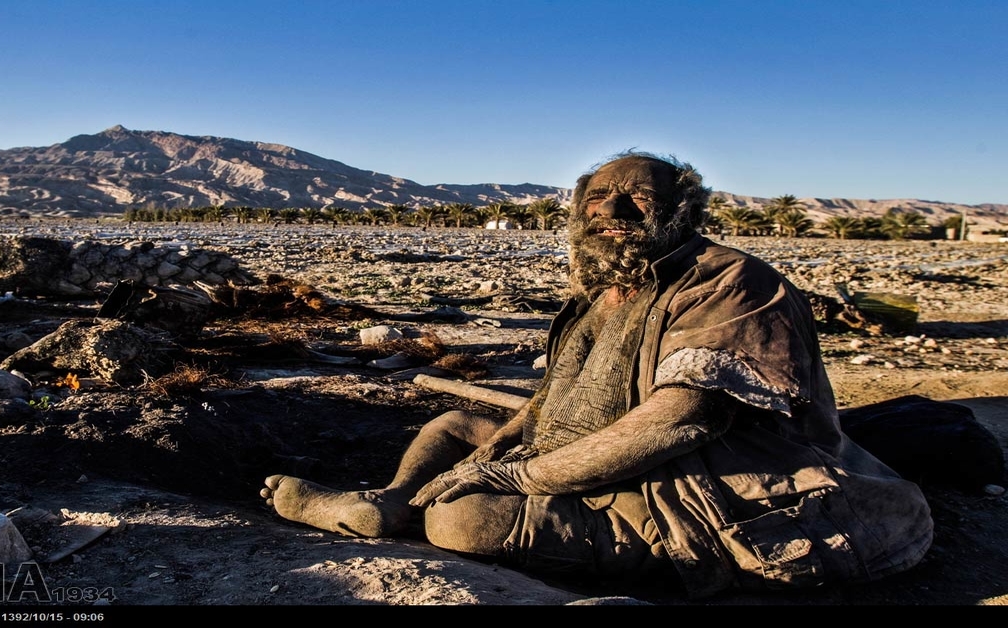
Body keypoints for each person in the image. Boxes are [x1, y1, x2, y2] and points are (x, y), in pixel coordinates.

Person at [260, 152, 933, 598]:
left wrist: (514, 476)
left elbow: (683, 419)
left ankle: (425, 515)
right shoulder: (600, 294)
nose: (612, 210)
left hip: (707, 485)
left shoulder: (729, 281)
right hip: (591, 458)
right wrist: (502, 446)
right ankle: (389, 503)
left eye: (639, 197)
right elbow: (552, 401)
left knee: (465, 518)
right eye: (599, 197)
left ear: (682, 211)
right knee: (456, 425)